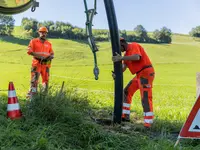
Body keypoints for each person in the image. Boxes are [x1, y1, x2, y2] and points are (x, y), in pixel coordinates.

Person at [112, 37, 155, 128]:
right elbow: (123, 68)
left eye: (118, 47)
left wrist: (121, 58)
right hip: (139, 75)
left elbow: (137, 57)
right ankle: (125, 115)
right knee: (126, 91)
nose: (119, 50)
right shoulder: (126, 55)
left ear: (122, 43)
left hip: (146, 73)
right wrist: (116, 73)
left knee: (145, 97)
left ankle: (148, 123)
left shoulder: (133, 45)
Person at [26, 26, 54, 98]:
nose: (43, 34)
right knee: (34, 81)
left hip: (46, 65)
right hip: (37, 63)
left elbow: (52, 53)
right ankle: (32, 96)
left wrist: (51, 56)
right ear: (39, 33)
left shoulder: (49, 44)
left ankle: (44, 97)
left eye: (44, 32)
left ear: (46, 34)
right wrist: (38, 56)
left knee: (46, 81)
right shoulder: (34, 41)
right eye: (41, 32)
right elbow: (29, 51)